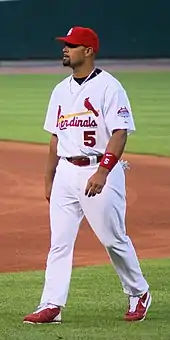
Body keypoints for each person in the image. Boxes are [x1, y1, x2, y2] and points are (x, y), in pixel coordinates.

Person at [24, 26, 151, 324]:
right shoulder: (59, 90)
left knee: (113, 238)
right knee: (60, 241)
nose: (65, 49)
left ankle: (139, 291)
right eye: (65, 45)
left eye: (72, 45)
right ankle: (51, 304)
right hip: (66, 173)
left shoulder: (109, 87)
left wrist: (104, 171)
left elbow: (120, 132)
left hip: (99, 169)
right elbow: (55, 139)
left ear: (89, 51)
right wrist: (49, 179)